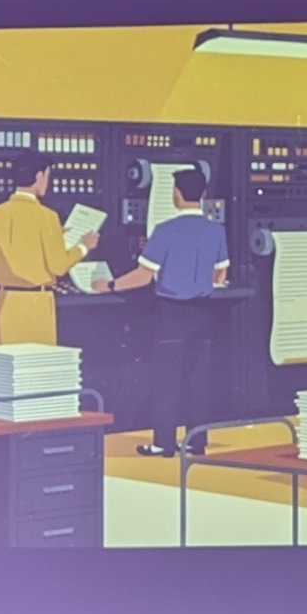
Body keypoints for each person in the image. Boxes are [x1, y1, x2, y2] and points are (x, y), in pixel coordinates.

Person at [111, 164, 242, 452]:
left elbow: (142, 276)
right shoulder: (215, 230)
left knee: (167, 377)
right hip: (204, 312)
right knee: (198, 378)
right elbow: (220, 275)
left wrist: (109, 285)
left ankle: (164, 443)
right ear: (204, 195)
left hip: (172, 312)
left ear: (176, 195)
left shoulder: (165, 230)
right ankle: (197, 441)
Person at [0, 161, 74, 349]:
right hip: (39, 304)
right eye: (47, 176)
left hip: (5, 301)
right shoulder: (48, 216)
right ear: (38, 177)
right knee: (37, 369)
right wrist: (83, 247)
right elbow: (59, 266)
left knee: (6, 368)